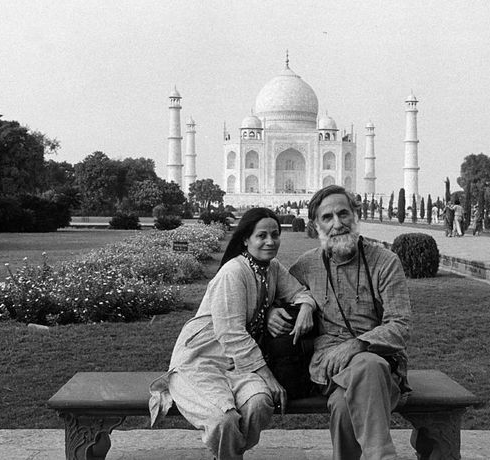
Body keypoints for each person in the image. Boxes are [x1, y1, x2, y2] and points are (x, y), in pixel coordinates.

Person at [149, 208, 317, 460]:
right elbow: (231, 333)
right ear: (246, 239)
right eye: (262, 235)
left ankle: (226, 453)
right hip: (203, 359)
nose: (270, 241)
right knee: (224, 419)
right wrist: (268, 377)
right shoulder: (233, 272)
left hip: (239, 363)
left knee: (260, 404)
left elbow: (298, 291)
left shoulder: (271, 269)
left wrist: (306, 306)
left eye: (275, 234)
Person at [267, 185, 411, 460]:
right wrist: (273, 312)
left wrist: (357, 345)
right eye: (327, 218)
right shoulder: (308, 265)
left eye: (343, 214)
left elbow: (400, 326)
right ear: (315, 225)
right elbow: (274, 296)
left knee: (349, 397)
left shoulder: (385, 262)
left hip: (380, 365)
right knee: (363, 371)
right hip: (329, 367)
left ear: (355, 215)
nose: (338, 224)